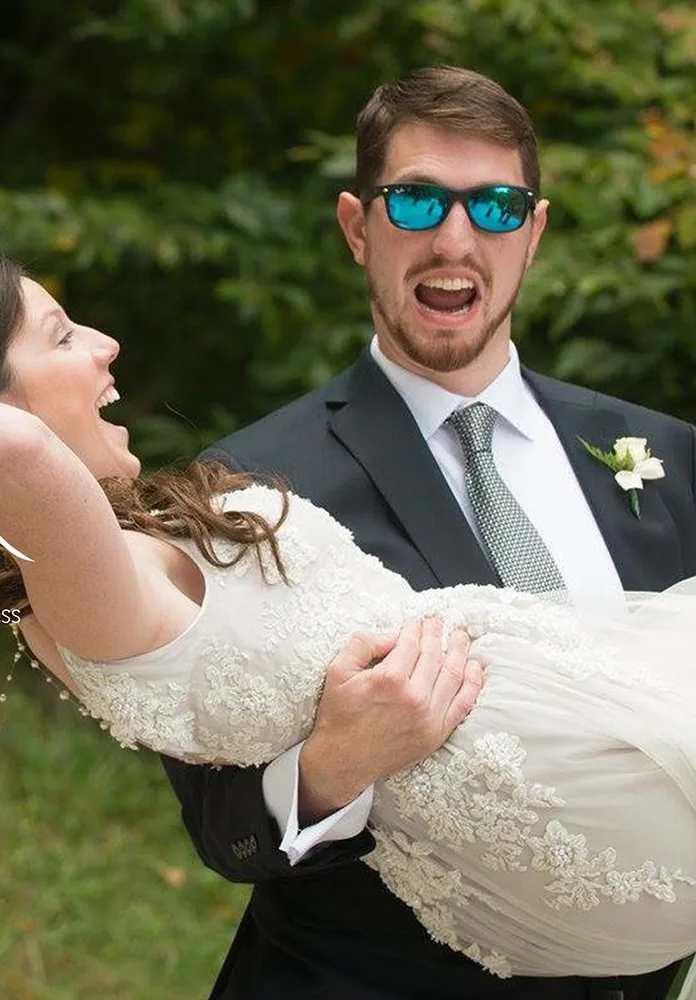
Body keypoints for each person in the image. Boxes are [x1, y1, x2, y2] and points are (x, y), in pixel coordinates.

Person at [0, 240, 696, 984]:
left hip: (576, 689)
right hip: (549, 780)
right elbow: (15, 457)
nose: (105, 347)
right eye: (62, 337)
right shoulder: (64, 583)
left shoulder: (130, 534)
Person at [158, 65, 696, 999]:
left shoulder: (667, 454)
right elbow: (224, 826)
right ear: (357, 227)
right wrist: (330, 767)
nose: (455, 238)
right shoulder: (246, 490)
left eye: (494, 206)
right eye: (415, 202)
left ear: (533, 234)